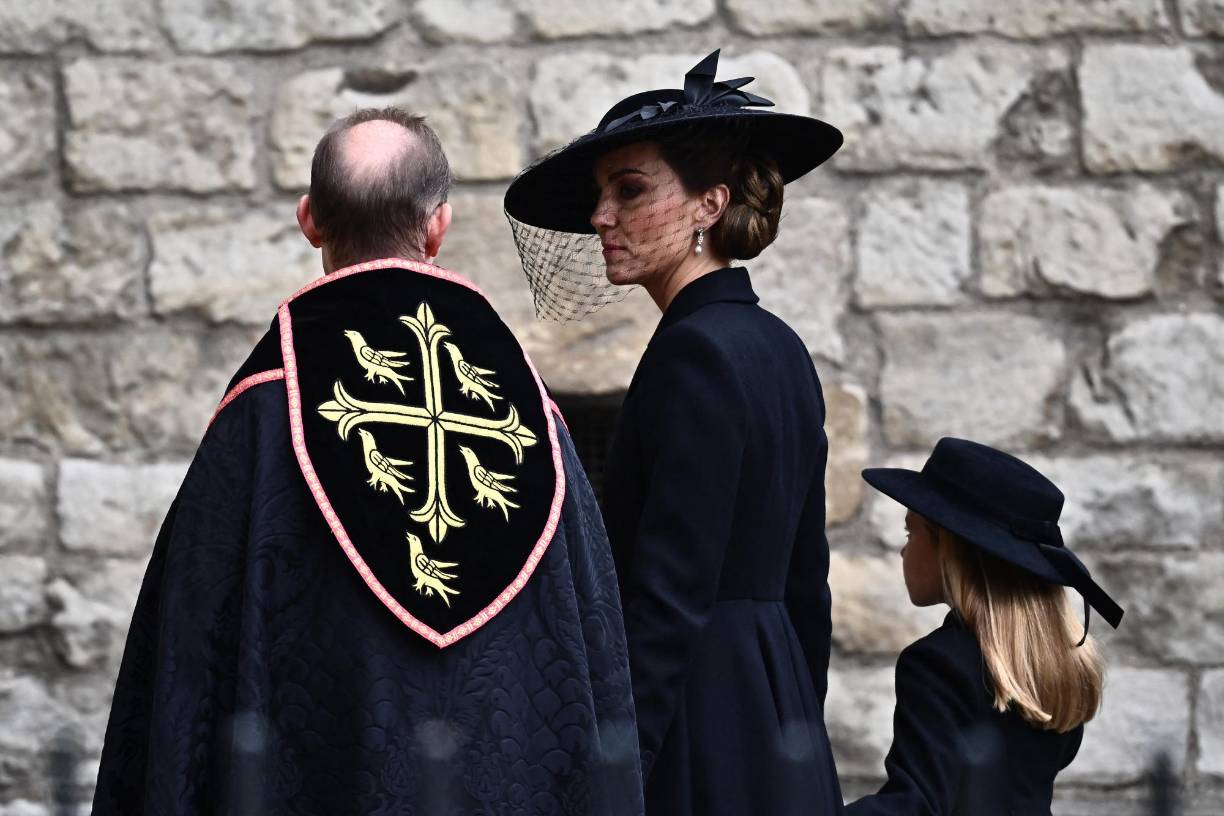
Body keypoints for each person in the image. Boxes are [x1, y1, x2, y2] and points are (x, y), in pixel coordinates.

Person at [93, 107, 643, 816]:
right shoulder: (532, 412)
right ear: (438, 224)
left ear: (309, 220)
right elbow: (589, 646)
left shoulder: (266, 410)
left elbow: (186, 666)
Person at [503, 51, 845, 815]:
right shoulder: (778, 344)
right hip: (773, 705)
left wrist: (625, 760)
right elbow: (807, 584)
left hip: (699, 711)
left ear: (708, 205)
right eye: (600, 196)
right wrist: (793, 718)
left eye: (629, 190)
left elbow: (669, 591)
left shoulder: (695, 351)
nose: (601, 218)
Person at [849, 437, 1125, 815]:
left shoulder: (936, 664)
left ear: (949, 549)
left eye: (911, 533)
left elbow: (917, 805)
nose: (903, 549)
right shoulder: (1053, 669)